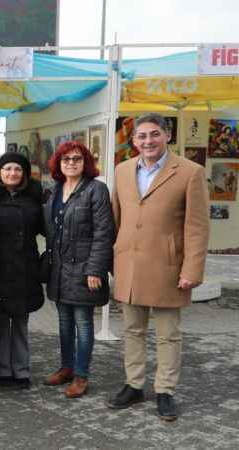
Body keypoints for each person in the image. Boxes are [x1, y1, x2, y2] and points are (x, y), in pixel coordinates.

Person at [107, 113, 209, 421]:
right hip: (129, 264)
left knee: (168, 334)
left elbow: (197, 227)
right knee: (132, 329)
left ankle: (165, 390)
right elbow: (116, 217)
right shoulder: (123, 170)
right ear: (134, 140)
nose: (147, 141)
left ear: (167, 136)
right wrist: (113, 257)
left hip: (168, 266)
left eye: (154, 134)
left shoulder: (190, 172)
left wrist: (192, 270)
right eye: (141, 136)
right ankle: (134, 384)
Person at [42, 142, 114, 398]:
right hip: (59, 270)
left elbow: (104, 233)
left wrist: (95, 269)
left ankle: (81, 375)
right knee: (63, 323)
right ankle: (66, 368)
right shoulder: (54, 192)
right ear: (58, 163)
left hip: (85, 270)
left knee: (83, 323)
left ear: (86, 163)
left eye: (77, 158)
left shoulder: (96, 190)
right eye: (66, 159)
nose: (71, 163)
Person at [0, 152, 44, 390]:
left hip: (26, 266)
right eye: (7, 169)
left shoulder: (35, 196)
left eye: (17, 169)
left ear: (23, 172)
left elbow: (46, 228)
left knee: (21, 321)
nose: (12, 173)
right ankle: (3, 370)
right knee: (2, 321)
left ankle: (22, 370)